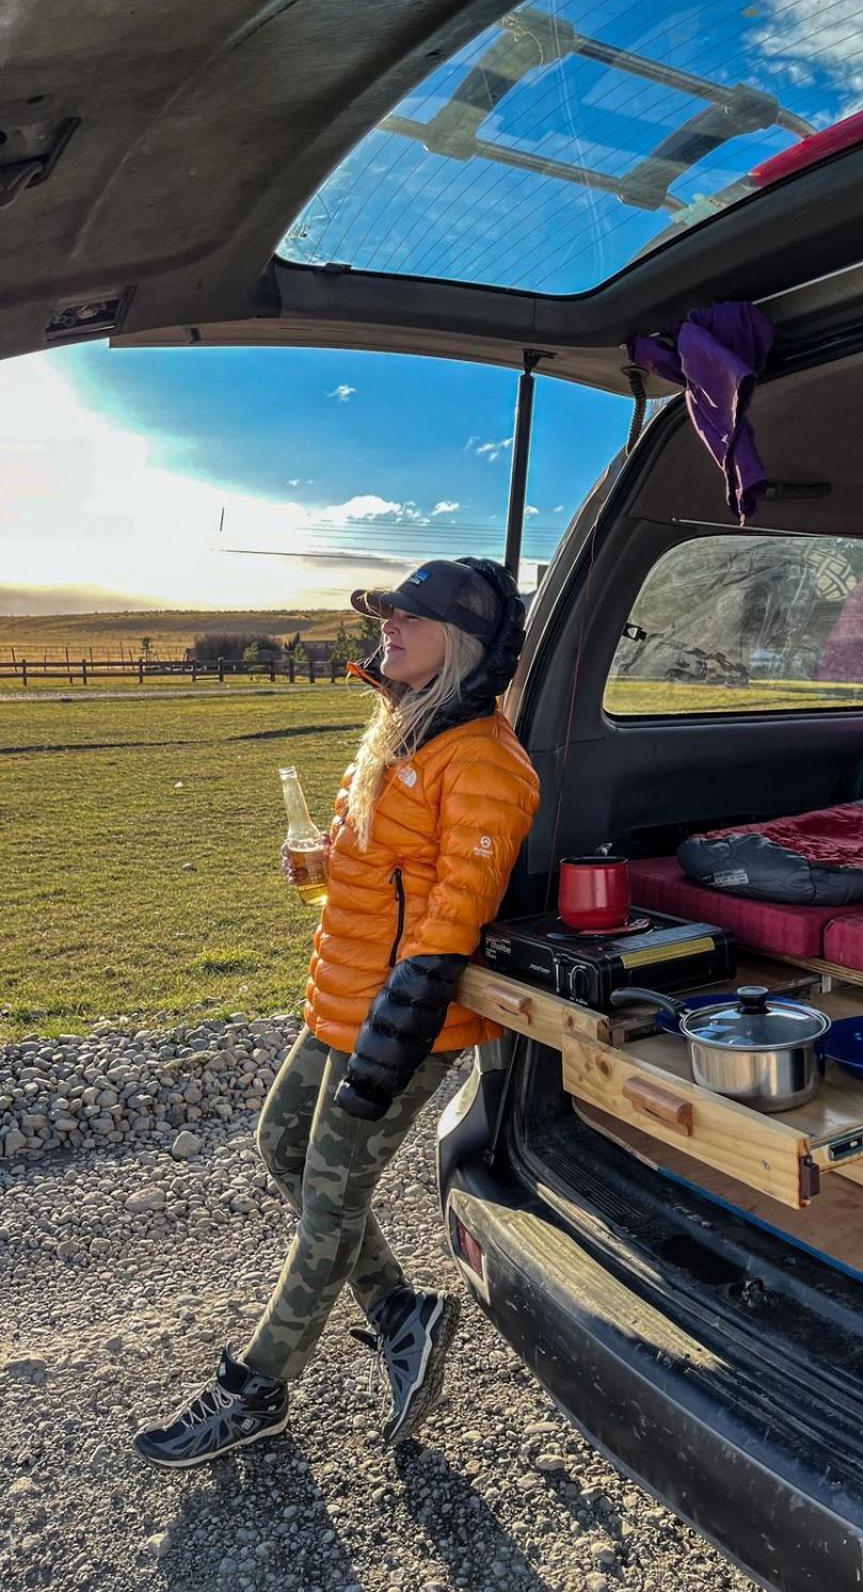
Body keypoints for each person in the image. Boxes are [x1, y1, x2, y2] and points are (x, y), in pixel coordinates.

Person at [134, 558, 540, 1468]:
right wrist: (325, 863)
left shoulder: (484, 763)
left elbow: (450, 922)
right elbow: (394, 865)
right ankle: (402, 1315)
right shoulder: (405, 728)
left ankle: (258, 1387)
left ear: (463, 642)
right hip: (342, 1000)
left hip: (407, 1021)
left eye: (410, 617)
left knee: (330, 1192)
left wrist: (388, 1055)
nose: (386, 628)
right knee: (283, 1146)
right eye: (387, 614)